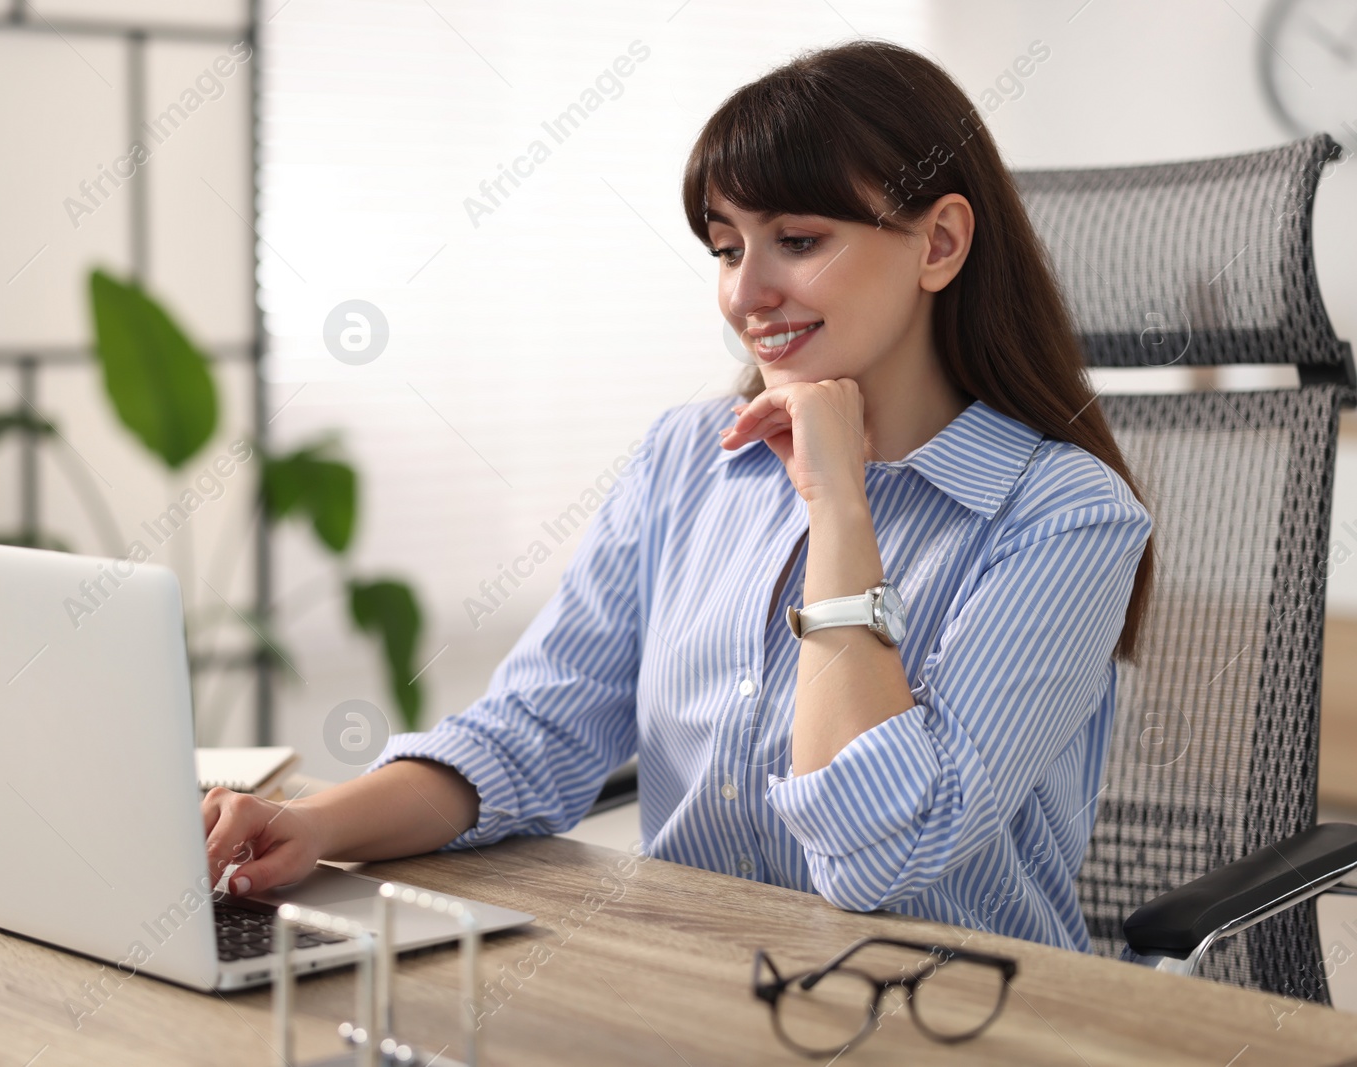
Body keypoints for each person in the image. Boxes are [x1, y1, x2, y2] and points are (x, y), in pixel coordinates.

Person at [202, 39, 1155, 952]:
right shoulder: (686, 459)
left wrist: (837, 506)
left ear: (939, 242)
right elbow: (536, 731)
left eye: (797, 239)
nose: (748, 294)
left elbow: (881, 857)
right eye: (727, 248)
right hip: (691, 990)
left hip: (955, 1015)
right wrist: (308, 822)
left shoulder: (1066, 518)